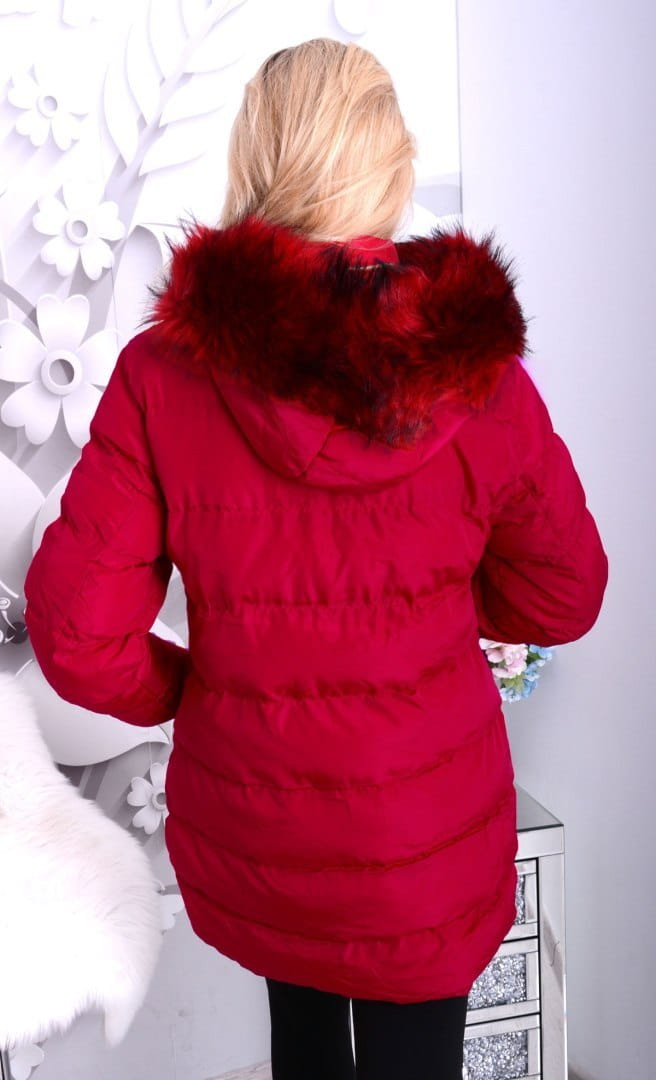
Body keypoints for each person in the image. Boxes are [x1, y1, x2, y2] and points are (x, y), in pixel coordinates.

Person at [23, 36, 608, 1080]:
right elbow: (564, 593)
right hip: (423, 837)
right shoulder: (478, 378)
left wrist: (194, 689)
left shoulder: (164, 371)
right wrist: (442, 608)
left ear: (256, 157)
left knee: (301, 1043)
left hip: (260, 822)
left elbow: (75, 631)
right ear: (389, 163)